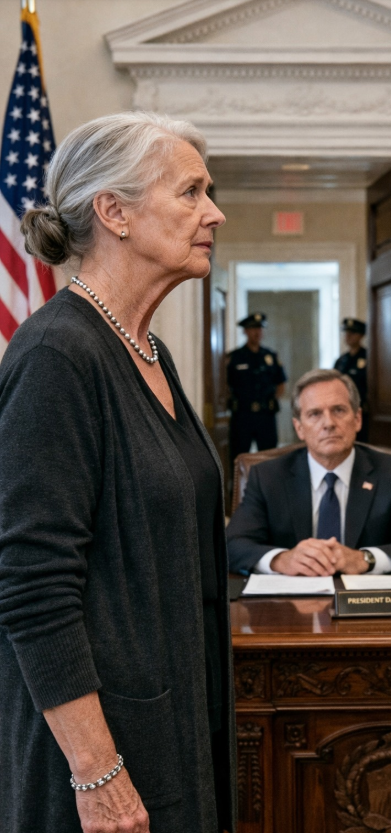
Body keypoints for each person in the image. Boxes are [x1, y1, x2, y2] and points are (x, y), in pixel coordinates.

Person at [0, 112, 236, 833]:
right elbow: (32, 585)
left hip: (172, 725)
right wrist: (97, 771)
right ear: (115, 212)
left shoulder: (149, 351)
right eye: (191, 192)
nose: (214, 213)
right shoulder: (57, 355)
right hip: (98, 758)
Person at [227, 368, 391, 576]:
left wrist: (364, 559)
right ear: (299, 428)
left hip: (366, 596)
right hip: (292, 595)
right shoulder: (267, 477)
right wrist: (281, 560)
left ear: (357, 419)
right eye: (315, 414)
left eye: (338, 410)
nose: (328, 423)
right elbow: (232, 544)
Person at [227, 312, 287, 463]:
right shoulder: (234, 357)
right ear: (245, 331)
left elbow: (281, 384)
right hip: (242, 415)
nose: (257, 332)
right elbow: (226, 385)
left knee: (269, 458)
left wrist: (272, 399)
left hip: (265, 415)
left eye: (260, 328)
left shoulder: (270, 356)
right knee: (239, 458)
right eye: (253, 328)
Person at [334, 317, 368, 441]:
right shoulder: (341, 360)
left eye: (352, 333)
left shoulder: (368, 357)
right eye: (346, 332)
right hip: (342, 408)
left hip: (362, 409)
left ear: (361, 335)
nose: (348, 336)